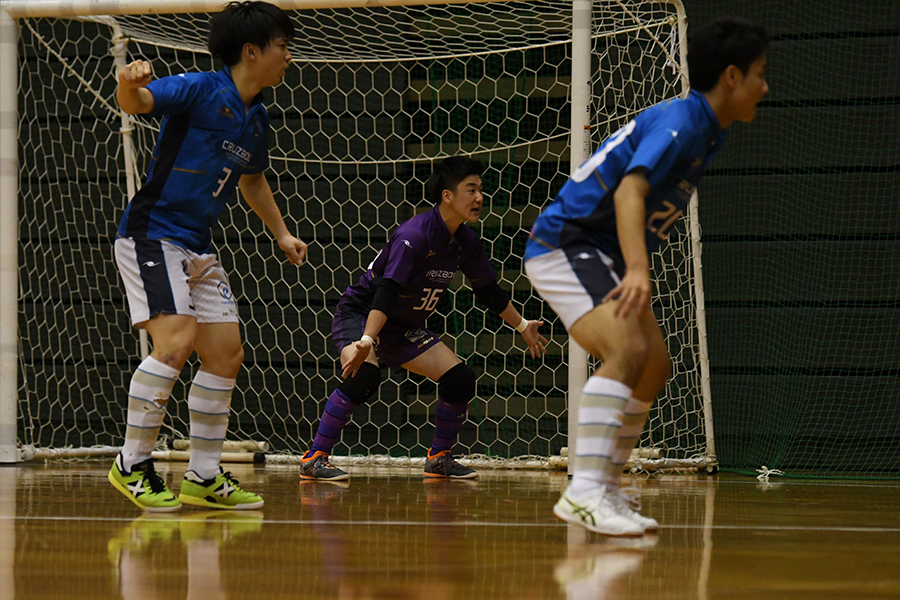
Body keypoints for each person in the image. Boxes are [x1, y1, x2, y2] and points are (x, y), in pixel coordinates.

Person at [523, 17, 769, 535]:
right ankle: (584, 492)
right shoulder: (684, 123)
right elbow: (629, 191)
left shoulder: (706, 128)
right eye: (760, 73)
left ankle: (606, 486)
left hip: (598, 251)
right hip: (567, 243)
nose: (765, 87)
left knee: (654, 365)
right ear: (732, 76)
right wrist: (639, 268)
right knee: (627, 352)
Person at [108, 1, 307, 512]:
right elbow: (137, 102)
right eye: (282, 46)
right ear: (251, 50)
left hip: (196, 244)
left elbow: (253, 181)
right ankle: (131, 464)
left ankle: (202, 476)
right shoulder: (200, 88)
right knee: (175, 342)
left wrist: (282, 233)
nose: (289, 55)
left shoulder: (256, 118)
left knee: (225, 354)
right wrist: (128, 82)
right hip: (152, 235)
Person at [300, 156, 547, 481]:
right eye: (471, 189)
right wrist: (367, 340)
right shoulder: (414, 235)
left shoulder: (465, 242)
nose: (479, 197)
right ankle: (314, 458)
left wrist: (522, 325)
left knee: (460, 378)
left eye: (481, 189)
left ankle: (439, 459)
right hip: (363, 313)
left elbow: (488, 290)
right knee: (365, 376)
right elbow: (387, 291)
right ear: (447, 196)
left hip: (402, 327)